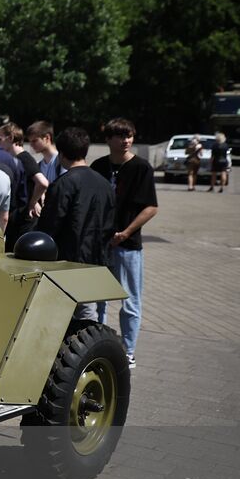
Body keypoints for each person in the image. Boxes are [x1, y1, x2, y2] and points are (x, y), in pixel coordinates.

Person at [92, 117, 159, 368]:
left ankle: (128, 350)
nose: (127, 140)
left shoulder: (142, 168)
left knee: (130, 301)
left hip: (128, 247)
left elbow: (151, 207)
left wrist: (126, 232)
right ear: (108, 139)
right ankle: (96, 344)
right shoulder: (98, 166)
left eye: (129, 135)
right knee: (97, 299)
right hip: (101, 246)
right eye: (121, 136)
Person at [35, 127, 114, 321]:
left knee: (66, 317)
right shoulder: (105, 185)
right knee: (88, 315)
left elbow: (48, 228)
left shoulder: (63, 184)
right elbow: (111, 225)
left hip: (67, 265)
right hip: (98, 261)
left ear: (61, 154)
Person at [27, 121, 64, 186]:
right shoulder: (39, 165)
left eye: (34, 141)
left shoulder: (62, 161)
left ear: (47, 138)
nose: (31, 145)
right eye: (30, 141)